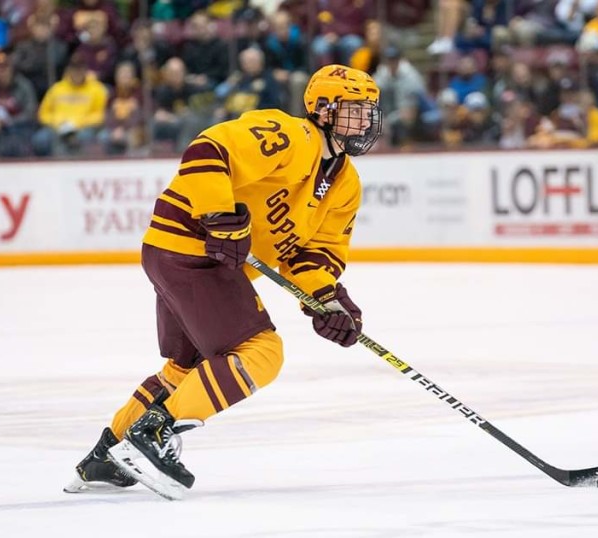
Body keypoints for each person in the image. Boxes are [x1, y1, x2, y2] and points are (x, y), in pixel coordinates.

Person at [64, 64, 382, 498]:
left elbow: (311, 255)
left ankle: (108, 454)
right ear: (324, 110)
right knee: (262, 353)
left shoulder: (346, 184)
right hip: (190, 249)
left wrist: (326, 299)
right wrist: (217, 214)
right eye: (356, 110)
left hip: (192, 259)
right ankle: (152, 437)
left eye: (369, 111)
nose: (366, 121)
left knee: (187, 369)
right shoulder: (288, 135)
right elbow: (208, 149)